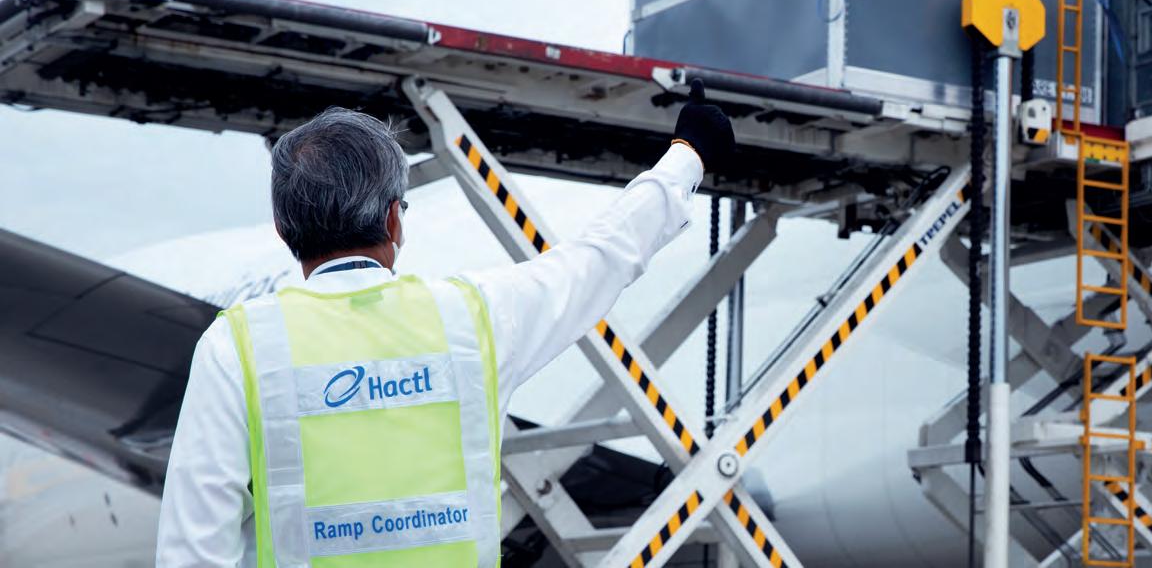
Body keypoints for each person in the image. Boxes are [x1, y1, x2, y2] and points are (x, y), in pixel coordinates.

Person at [155, 96, 733, 567]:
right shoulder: (472, 318)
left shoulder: (238, 348)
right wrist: (686, 156)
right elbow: (600, 257)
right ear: (394, 219)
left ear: (284, 229)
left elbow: (192, 551)